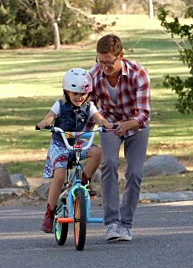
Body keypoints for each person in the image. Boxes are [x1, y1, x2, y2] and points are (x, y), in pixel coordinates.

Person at [89, 34, 151, 242]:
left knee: (134, 173)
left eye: (109, 62)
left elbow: (144, 113)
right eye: (101, 61)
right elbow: (88, 106)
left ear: (120, 56)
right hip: (110, 125)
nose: (104, 67)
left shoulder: (138, 73)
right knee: (109, 163)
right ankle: (112, 223)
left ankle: (126, 224)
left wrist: (129, 124)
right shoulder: (95, 75)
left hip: (136, 126)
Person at [36, 68, 113, 233]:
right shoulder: (60, 105)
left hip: (77, 142)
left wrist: (106, 124)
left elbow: (99, 118)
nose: (79, 97)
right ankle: (49, 213)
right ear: (66, 91)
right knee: (60, 174)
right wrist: (45, 122)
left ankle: (84, 182)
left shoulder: (89, 106)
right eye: (75, 93)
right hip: (60, 144)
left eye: (83, 94)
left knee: (97, 152)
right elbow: (50, 116)